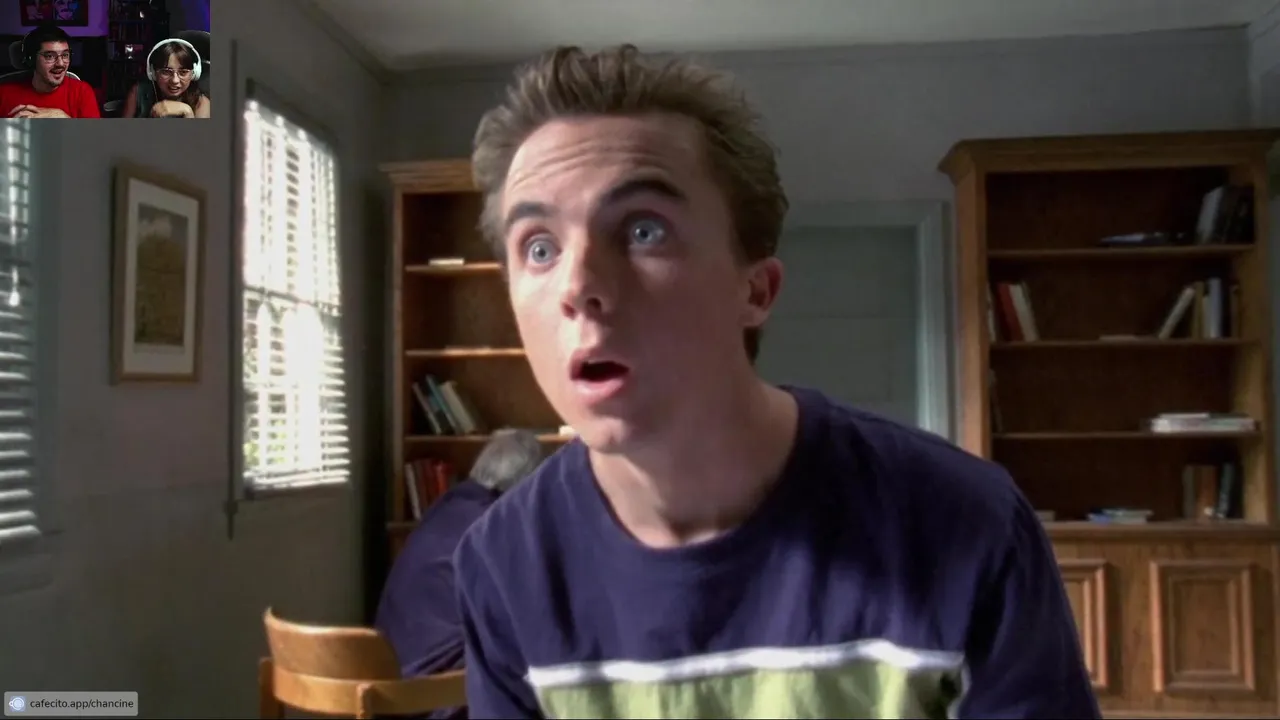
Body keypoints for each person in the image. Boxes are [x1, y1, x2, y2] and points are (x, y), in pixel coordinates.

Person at [452, 45, 1102, 719]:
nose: (578, 285)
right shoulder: (504, 562)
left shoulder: (967, 524)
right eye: (539, 247)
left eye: (644, 230)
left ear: (756, 290)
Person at [376, 428, 545, 719]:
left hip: (388, 683)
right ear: (527, 486)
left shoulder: (445, 506)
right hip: (435, 696)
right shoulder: (495, 526)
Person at [0, 24, 99, 119]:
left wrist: (65, 119)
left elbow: (93, 131)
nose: (60, 64)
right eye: (49, 56)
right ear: (31, 59)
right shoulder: (4, 94)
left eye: (65, 55)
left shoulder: (82, 92)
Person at [122, 38, 209, 119]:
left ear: (194, 74)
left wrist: (188, 112)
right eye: (166, 72)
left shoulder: (202, 103)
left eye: (183, 72)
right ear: (153, 73)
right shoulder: (137, 92)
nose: (175, 80)